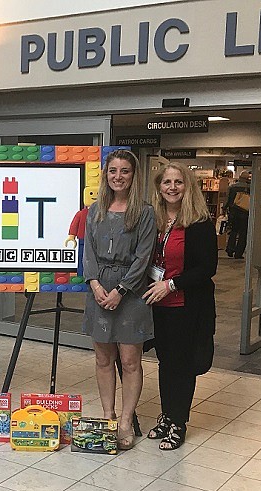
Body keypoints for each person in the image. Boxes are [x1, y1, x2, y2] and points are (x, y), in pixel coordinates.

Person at [82, 149, 155, 450]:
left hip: (131, 293)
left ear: (133, 176)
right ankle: (108, 416)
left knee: (129, 360)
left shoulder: (145, 212)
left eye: (125, 171)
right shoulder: (95, 210)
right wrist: (95, 284)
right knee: (102, 358)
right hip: (99, 290)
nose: (118, 176)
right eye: (113, 171)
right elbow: (87, 252)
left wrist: (121, 290)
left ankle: (126, 421)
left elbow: (144, 257)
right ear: (106, 175)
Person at [143, 162, 217, 450]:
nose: (172, 187)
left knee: (182, 365)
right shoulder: (155, 221)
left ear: (188, 187)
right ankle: (166, 415)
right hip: (158, 305)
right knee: (166, 361)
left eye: (178, 182)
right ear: (159, 188)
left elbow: (207, 268)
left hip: (186, 304)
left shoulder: (199, 223)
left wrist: (170, 285)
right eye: (166, 182)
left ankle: (178, 422)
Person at [223, 170, 251, 258]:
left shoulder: (232, 187)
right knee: (243, 233)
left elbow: (227, 200)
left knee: (233, 230)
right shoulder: (250, 188)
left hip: (233, 211)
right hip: (245, 212)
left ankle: (230, 249)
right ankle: (239, 253)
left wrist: (224, 208)